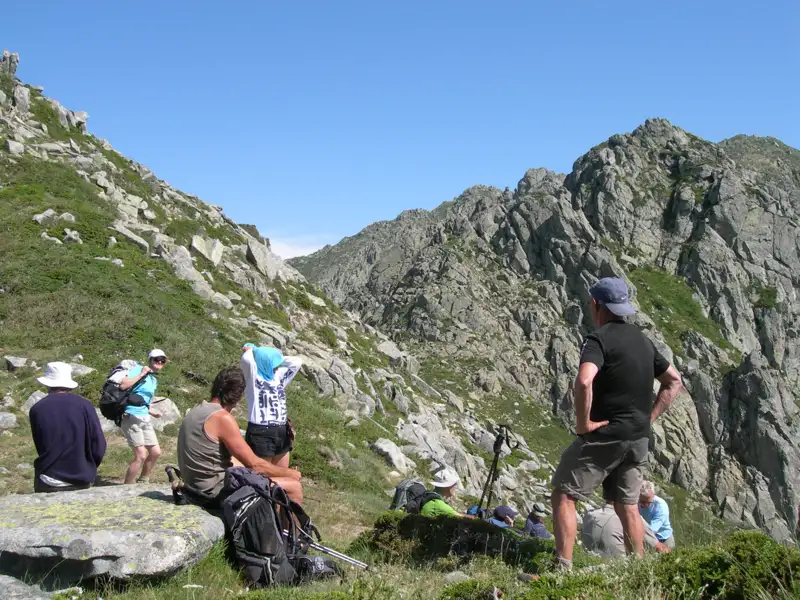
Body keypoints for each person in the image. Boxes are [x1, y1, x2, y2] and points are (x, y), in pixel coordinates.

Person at [550, 277, 684, 570]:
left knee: (564, 494)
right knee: (628, 506)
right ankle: (639, 571)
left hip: (607, 435)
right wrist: (648, 419)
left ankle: (562, 569)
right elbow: (674, 381)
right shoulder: (644, 341)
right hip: (638, 439)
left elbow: (584, 381)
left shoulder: (598, 339)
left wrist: (583, 424)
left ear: (596, 304)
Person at [172, 365, 303, 508]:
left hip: (193, 486)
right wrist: (289, 473)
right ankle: (285, 523)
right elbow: (256, 465)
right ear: (238, 395)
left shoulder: (197, 409)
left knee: (249, 469)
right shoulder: (222, 418)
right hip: (212, 493)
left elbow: (234, 460)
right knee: (293, 487)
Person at [29, 362, 106, 493]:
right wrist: (90, 466)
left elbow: (40, 445)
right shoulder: (85, 405)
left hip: (48, 477)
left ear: (48, 383)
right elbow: (99, 444)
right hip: (81, 477)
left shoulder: (37, 408)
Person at [240, 343, 302, 467]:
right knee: (261, 474)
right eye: (274, 364)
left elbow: (297, 362)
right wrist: (252, 350)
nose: (277, 368)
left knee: (281, 474)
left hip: (281, 430)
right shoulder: (252, 378)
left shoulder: (277, 377)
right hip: (261, 433)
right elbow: (247, 360)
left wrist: (274, 357)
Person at [118, 349, 167, 484]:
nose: (160, 362)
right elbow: (123, 385)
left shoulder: (153, 379)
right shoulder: (138, 370)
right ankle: (127, 487)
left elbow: (142, 400)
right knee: (141, 455)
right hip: (131, 416)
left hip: (144, 418)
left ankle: (143, 480)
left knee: (155, 452)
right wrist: (142, 374)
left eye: (163, 361)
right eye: (157, 359)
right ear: (150, 360)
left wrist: (151, 411)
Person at [581, 503, 670, 557]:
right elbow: (658, 547)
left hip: (589, 562)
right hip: (618, 566)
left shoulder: (590, 515)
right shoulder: (633, 519)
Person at [638, 481, 675, 549]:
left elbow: (652, 530)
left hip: (664, 540)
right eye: (641, 501)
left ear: (653, 495)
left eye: (648, 502)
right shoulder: (637, 502)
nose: (643, 505)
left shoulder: (661, 506)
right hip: (647, 536)